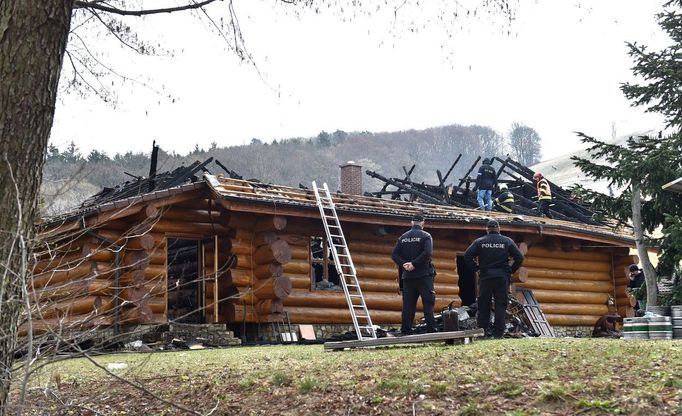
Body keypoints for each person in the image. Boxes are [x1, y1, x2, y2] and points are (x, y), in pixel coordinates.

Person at [464, 219, 524, 338]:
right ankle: (498, 334)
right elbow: (519, 257)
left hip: (486, 276)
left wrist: (476, 269)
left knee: (483, 304)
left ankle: (482, 332)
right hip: (502, 277)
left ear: (487, 229)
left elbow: (467, 256)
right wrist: (510, 270)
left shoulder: (480, 241)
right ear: (499, 228)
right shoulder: (507, 241)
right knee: (500, 305)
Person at [391, 213, 436, 335]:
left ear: (411, 223)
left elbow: (394, 255)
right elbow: (427, 252)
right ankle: (431, 329)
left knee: (408, 305)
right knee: (428, 302)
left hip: (408, 277)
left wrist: (404, 264)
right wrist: (414, 264)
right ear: (423, 223)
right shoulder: (426, 235)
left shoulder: (403, 237)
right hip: (424, 275)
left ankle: (406, 330)